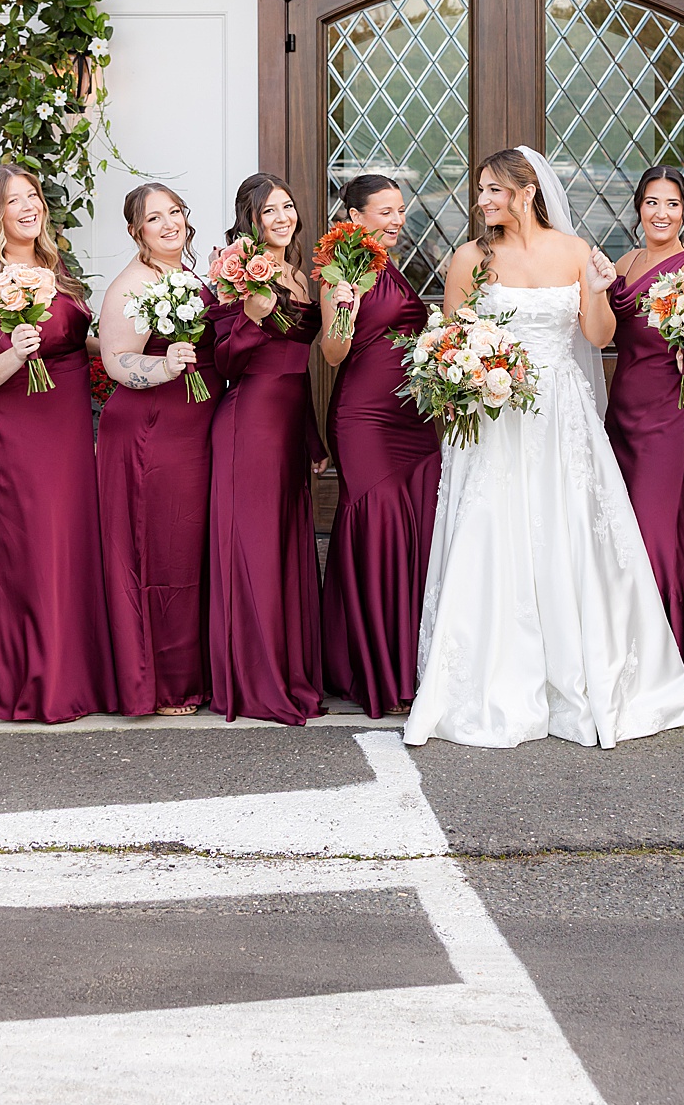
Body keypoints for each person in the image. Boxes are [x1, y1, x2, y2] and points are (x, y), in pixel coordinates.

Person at [402, 149, 684, 749]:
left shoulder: (574, 252)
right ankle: (492, 680)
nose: (483, 201)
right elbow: (448, 342)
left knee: (567, 534)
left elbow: (599, 336)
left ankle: (580, 676)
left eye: (493, 190)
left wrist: (594, 290)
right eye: (480, 191)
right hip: (493, 416)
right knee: (494, 534)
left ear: (527, 190)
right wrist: (464, 374)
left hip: (559, 412)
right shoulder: (468, 260)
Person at [0, 165, 113, 722]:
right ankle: (32, 681)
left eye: (33, 196)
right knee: (28, 548)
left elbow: (73, 341)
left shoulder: (53, 268)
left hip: (62, 422)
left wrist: (133, 334)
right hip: (12, 429)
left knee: (67, 543)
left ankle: (72, 673)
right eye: (14, 200)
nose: (28, 206)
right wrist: (16, 353)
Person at [317, 174, 441, 719]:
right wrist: (342, 309)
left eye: (401, 209)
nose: (397, 219)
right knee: (380, 525)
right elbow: (332, 353)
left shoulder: (391, 267)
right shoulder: (340, 269)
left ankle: (412, 663)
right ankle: (372, 671)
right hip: (364, 418)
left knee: (419, 527)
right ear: (355, 215)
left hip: (412, 418)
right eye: (385, 211)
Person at [203, 174, 325, 725]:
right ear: (251, 218)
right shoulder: (234, 276)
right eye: (270, 209)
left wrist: (312, 435)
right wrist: (251, 316)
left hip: (289, 424)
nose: (282, 217)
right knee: (255, 552)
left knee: (285, 550)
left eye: (288, 207)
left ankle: (288, 671)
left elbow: (301, 367)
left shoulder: (301, 276)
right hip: (248, 424)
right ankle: (256, 682)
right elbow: (225, 362)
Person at [96, 183, 218, 716]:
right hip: (153, 430)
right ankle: (165, 680)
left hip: (196, 425)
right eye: (155, 218)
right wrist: (162, 367)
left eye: (176, 212)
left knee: (192, 547)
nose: (170, 224)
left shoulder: (190, 276)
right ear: (135, 231)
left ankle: (199, 668)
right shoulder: (132, 285)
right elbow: (116, 360)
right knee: (165, 550)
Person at [604, 165, 684, 667]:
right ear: (638, 208)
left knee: (656, 533)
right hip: (622, 412)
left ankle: (664, 660)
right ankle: (624, 649)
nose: (661, 213)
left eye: (671, 204)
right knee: (621, 532)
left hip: (670, 417)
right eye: (651, 202)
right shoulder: (626, 262)